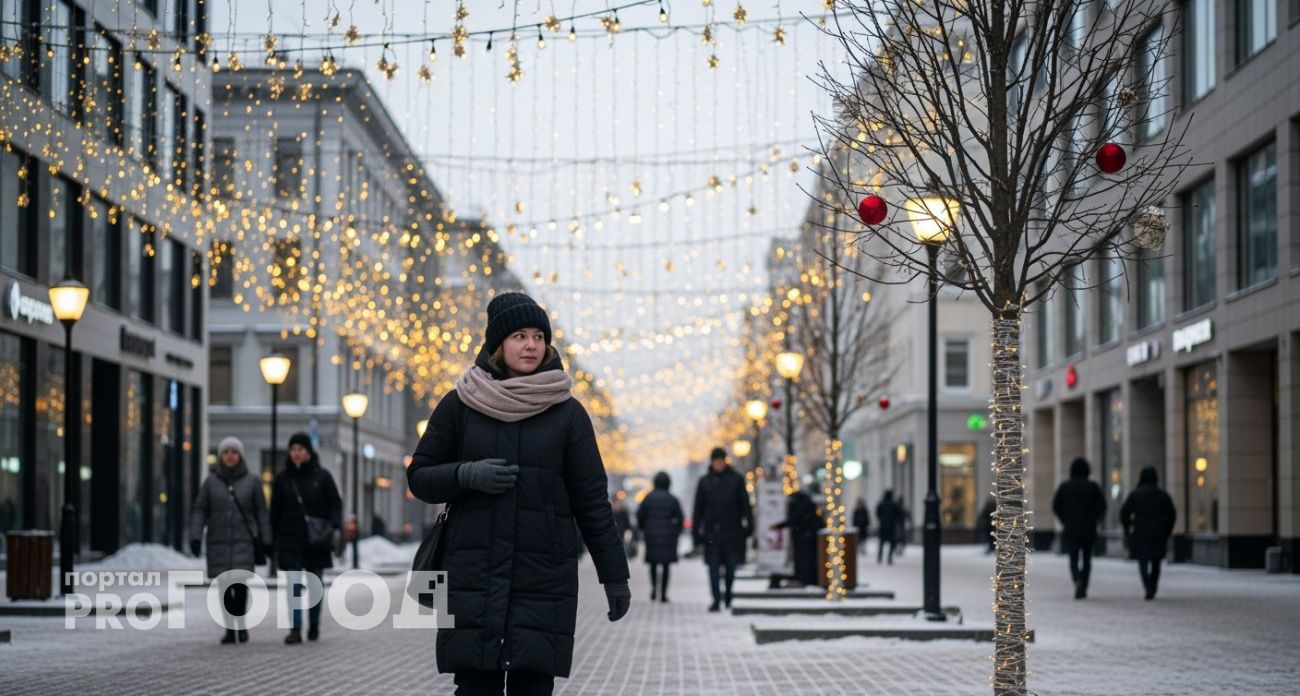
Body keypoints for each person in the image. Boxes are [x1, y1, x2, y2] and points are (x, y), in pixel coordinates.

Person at [407, 292, 630, 696]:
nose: (531, 345)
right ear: (498, 344)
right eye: (519, 336)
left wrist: (614, 576)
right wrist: (465, 474)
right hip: (474, 576)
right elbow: (420, 477)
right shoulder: (461, 404)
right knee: (476, 688)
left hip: (542, 578)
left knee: (533, 687)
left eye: (538, 337)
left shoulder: (569, 414)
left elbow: (592, 502)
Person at [189, 436, 272, 644]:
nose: (230, 456)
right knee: (224, 587)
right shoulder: (211, 482)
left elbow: (261, 512)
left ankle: (240, 626)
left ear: (240, 456)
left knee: (240, 586)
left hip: (244, 541)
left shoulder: (252, 481)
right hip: (218, 542)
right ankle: (229, 628)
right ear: (220, 456)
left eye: (234, 452)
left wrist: (267, 539)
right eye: (225, 452)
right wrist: (196, 536)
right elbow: (200, 510)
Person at [270, 432, 342, 644]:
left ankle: (314, 624)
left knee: (315, 586)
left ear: (309, 451)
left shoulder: (323, 477)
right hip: (290, 539)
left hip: (316, 540)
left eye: (300, 449)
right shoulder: (283, 479)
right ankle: (295, 629)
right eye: (293, 449)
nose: (296, 453)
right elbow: (275, 511)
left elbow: (335, 503)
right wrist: (271, 539)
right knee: (293, 586)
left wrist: (334, 523)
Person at [693, 446, 753, 612]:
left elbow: (745, 504)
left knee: (730, 568)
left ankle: (728, 595)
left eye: (721, 461)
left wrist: (749, 524)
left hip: (732, 532)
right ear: (712, 462)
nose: (718, 464)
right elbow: (698, 509)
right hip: (711, 533)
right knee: (713, 568)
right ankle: (716, 599)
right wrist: (696, 533)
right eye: (716, 461)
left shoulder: (736, 479)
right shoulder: (705, 481)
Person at [1120, 466, 1177, 600]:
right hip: (1158, 532)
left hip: (1140, 532)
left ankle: (1147, 586)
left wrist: (1128, 528)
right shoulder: (1162, 494)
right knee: (1156, 562)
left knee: (1143, 561)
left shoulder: (1135, 494)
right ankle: (1153, 585)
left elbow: (1124, 513)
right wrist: (1167, 530)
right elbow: (1172, 514)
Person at [1053, 457, 1106, 599]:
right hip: (1089, 528)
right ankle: (1084, 584)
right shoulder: (1093, 486)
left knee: (1073, 557)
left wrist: (1064, 520)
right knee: (1087, 558)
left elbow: (1056, 506)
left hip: (1071, 528)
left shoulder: (1065, 486)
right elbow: (1102, 506)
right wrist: (1095, 519)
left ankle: (1077, 580)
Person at [637, 471, 684, 602]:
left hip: (651, 536)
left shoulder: (648, 498)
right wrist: (676, 532)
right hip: (668, 537)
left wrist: (644, 528)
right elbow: (680, 518)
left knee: (653, 564)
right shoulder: (673, 499)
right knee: (666, 566)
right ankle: (663, 594)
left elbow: (640, 515)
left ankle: (653, 589)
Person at [768, 481, 822, 588]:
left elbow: (796, 517)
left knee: (804, 559)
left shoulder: (801, 501)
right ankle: (804, 579)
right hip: (805, 535)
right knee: (803, 559)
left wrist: (780, 525)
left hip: (806, 535)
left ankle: (804, 579)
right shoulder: (803, 501)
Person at [875, 491, 901, 565]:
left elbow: (878, 513)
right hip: (891, 527)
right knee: (892, 543)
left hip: (883, 526)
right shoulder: (894, 504)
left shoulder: (881, 504)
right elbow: (898, 514)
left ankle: (880, 557)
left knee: (881, 543)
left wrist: (882, 519)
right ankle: (889, 557)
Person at [611, 493, 636, 558]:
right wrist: (630, 530)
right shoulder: (623, 508)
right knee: (623, 546)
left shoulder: (611, 510)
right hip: (623, 531)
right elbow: (627, 522)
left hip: (614, 531)